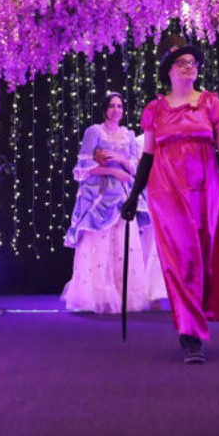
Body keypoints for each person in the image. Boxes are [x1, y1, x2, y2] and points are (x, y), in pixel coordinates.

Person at [121, 38, 219, 364]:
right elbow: (148, 157)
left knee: (203, 259)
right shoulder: (155, 110)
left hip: (206, 190)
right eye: (182, 62)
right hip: (166, 192)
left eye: (193, 62)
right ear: (169, 69)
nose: (189, 67)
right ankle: (190, 335)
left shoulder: (211, 104)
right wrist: (134, 195)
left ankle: (194, 322)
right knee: (183, 258)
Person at [60, 92, 167, 313]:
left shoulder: (128, 135)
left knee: (123, 243)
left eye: (119, 106)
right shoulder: (94, 132)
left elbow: (135, 167)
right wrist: (111, 171)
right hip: (98, 195)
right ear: (104, 109)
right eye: (111, 106)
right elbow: (82, 169)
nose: (116, 110)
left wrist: (121, 161)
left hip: (122, 196)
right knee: (97, 244)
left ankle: (122, 294)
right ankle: (96, 295)